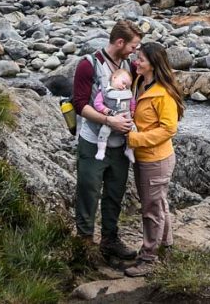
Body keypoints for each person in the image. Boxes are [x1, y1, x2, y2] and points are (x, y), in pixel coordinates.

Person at [72, 19, 143, 261]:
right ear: (120, 42)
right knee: (88, 191)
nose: (135, 51)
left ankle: (110, 241)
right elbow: (80, 105)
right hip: (93, 141)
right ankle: (84, 244)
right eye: (133, 46)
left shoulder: (131, 67)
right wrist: (109, 121)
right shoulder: (88, 65)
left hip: (120, 145)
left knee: (115, 193)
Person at [124, 42, 185, 276]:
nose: (136, 62)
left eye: (140, 59)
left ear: (153, 64)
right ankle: (167, 245)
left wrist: (134, 139)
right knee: (158, 202)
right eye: (136, 57)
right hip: (143, 157)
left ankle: (149, 258)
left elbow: (169, 129)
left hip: (156, 160)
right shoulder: (141, 82)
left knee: (151, 208)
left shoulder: (164, 93)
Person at [93, 68, 137, 163]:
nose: (124, 87)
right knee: (104, 131)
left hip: (127, 118)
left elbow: (132, 101)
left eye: (127, 86)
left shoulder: (127, 93)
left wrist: (133, 110)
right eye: (123, 83)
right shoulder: (105, 91)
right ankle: (101, 150)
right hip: (111, 118)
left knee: (134, 132)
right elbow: (97, 103)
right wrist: (105, 110)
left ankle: (130, 150)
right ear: (114, 77)